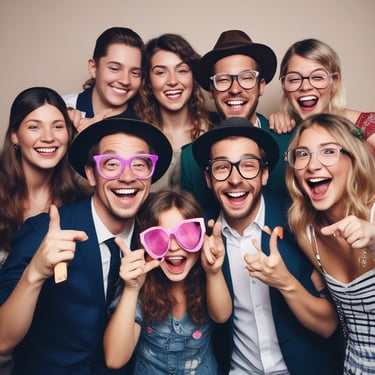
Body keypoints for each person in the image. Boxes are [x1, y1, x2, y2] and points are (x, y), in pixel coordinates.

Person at [0, 117, 172, 374]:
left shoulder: (155, 240)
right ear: (91, 173)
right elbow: (3, 340)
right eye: (111, 164)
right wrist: (35, 274)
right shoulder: (43, 231)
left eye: (139, 164)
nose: (127, 177)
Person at [191, 116, 344, 374]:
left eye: (248, 166)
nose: (235, 179)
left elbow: (329, 325)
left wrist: (285, 283)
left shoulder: (300, 222)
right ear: (208, 178)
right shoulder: (198, 234)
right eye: (221, 167)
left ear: (263, 174)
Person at [0, 86, 84, 373]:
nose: (48, 137)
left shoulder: (79, 202)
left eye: (58, 126)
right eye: (34, 126)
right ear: (15, 135)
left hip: (44, 353)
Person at [103, 190, 232, 374]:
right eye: (158, 238)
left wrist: (213, 272)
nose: (172, 246)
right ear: (145, 244)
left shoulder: (206, 278)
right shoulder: (140, 285)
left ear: (202, 237)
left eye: (186, 234)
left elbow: (221, 316)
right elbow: (114, 359)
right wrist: (132, 289)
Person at [285, 113, 375, 374]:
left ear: (354, 159)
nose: (313, 165)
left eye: (328, 151)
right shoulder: (306, 234)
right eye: (303, 154)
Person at [180, 29, 290, 219]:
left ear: (261, 85)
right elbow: (191, 226)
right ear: (211, 91)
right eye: (223, 80)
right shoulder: (190, 158)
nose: (235, 89)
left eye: (246, 78)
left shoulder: (290, 141)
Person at [134, 33, 213, 192]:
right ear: (148, 81)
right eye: (161, 72)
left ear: (193, 76)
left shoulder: (216, 129)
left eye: (182, 70)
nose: (172, 81)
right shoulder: (136, 136)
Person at [269, 38, 375, 151]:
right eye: (294, 79)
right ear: (284, 86)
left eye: (317, 77)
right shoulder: (286, 130)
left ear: (334, 81)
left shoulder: (369, 128)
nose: (305, 87)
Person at [63, 27, 144, 132]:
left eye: (135, 73)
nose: (125, 81)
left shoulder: (147, 121)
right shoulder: (60, 109)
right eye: (114, 69)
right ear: (94, 68)